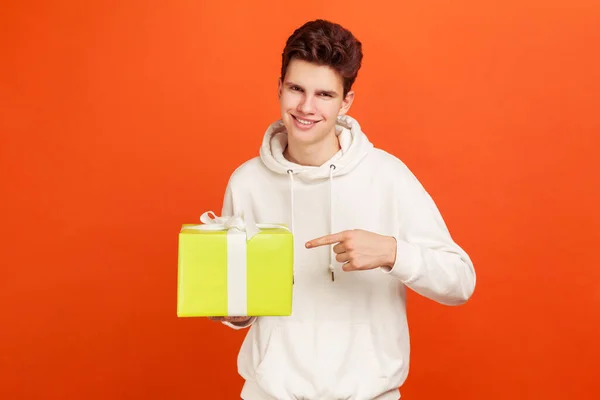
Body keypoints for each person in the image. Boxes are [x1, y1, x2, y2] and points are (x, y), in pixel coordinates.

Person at [209, 19, 476, 400]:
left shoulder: (387, 176)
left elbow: (461, 282)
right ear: (280, 88)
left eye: (324, 95)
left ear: (346, 101)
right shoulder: (247, 182)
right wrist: (236, 313)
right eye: (296, 89)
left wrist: (391, 252)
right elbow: (241, 299)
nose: (305, 107)